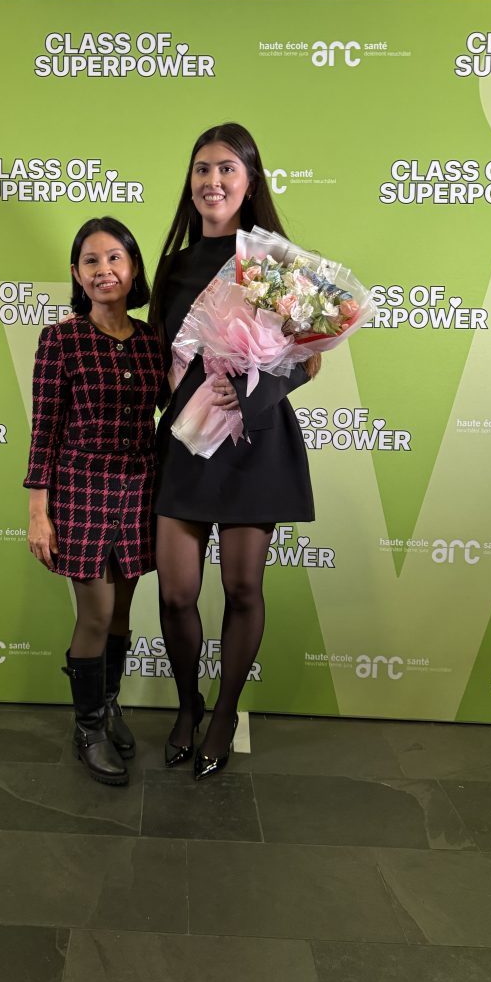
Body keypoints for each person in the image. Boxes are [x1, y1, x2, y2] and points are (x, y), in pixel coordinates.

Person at [148, 123, 318, 780]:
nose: (212, 181)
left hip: (254, 439)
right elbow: (158, 357)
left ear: (249, 182)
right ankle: (188, 705)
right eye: (201, 169)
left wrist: (251, 395)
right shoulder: (172, 267)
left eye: (226, 169)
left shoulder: (273, 261)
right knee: (176, 593)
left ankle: (223, 713)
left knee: (243, 586)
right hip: (187, 443)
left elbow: (310, 360)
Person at [24, 216, 163, 787]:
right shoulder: (61, 339)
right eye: (91, 261)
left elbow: (183, 406)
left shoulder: (153, 341)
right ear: (77, 274)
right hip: (81, 489)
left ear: (133, 269)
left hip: (141, 487)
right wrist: (38, 513)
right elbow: (44, 430)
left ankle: (107, 707)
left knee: (123, 613)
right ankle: (87, 728)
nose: (104, 270)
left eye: (115, 258)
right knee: (97, 613)